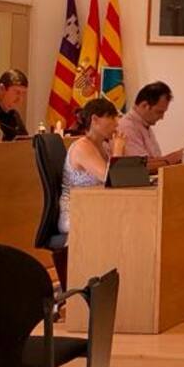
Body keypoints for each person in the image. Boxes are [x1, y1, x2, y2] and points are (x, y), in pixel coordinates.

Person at [56, 98, 126, 289]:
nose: (116, 124)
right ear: (95, 120)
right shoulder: (82, 147)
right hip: (75, 212)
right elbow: (110, 178)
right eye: (111, 118)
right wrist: (118, 150)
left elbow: (122, 178)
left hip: (94, 208)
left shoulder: (102, 146)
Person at [118, 81, 184, 171]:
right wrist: (172, 159)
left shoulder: (145, 124)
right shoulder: (127, 127)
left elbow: (154, 160)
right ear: (144, 105)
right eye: (159, 112)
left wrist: (176, 158)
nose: (162, 117)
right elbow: (140, 166)